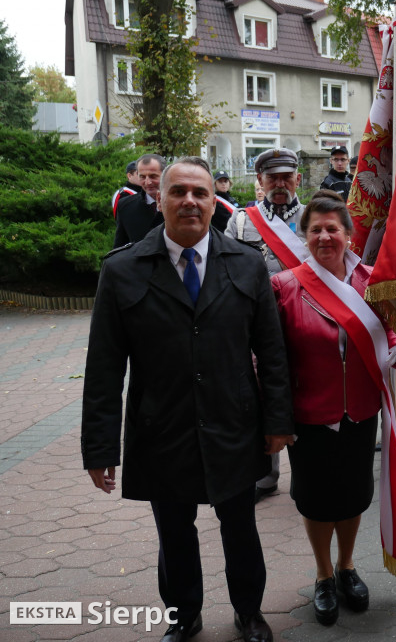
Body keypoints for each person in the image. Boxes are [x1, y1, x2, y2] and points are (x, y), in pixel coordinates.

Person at [82, 156, 292, 642]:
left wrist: (278, 420)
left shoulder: (245, 263)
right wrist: (98, 448)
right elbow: (104, 368)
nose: (190, 202)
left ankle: (249, 612)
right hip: (161, 427)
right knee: (174, 532)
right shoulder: (122, 270)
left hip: (234, 423)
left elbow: (272, 350)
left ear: (213, 201)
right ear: (159, 200)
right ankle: (183, 616)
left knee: (240, 526)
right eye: (178, 192)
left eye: (200, 192)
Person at [271, 190, 396, 623]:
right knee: (314, 499)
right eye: (316, 230)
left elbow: (391, 330)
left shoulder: (373, 281)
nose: (325, 236)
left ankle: (347, 566)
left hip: (361, 410)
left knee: (353, 495)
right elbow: (269, 354)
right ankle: (323, 574)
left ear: (348, 235)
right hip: (310, 414)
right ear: (303, 236)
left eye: (333, 229)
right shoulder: (285, 287)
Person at [227, 148, 308, 501]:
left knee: (305, 394)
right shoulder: (242, 222)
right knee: (262, 394)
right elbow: (227, 270)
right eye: (271, 177)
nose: (279, 184)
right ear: (259, 181)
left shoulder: (313, 218)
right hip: (258, 323)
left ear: (298, 180)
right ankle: (267, 474)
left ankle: (306, 473)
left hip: (305, 322)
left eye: (286, 177)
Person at [113, 153, 166, 248]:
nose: (148, 182)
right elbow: (120, 246)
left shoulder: (180, 204)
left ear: (165, 174)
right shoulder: (125, 206)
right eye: (142, 177)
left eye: (153, 176)